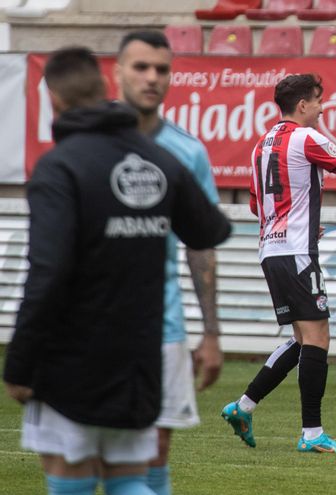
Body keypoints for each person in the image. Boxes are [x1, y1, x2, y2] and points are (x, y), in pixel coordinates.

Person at [3, 46, 230, 495]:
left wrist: (20, 363)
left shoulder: (60, 166)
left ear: (54, 98)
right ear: (108, 85)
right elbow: (211, 229)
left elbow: (47, 272)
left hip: (74, 355)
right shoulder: (160, 160)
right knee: (129, 479)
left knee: (71, 480)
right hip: (141, 353)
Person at [221, 73, 336, 455]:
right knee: (318, 337)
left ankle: (243, 406)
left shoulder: (261, 145)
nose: (322, 108)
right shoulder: (306, 137)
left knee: (303, 338)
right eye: (318, 101)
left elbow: (258, 204)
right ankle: (312, 433)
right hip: (297, 251)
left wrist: (297, 215)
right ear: (302, 105)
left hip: (270, 251)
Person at [115, 30, 222, 495]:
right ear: (117, 71)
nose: (152, 77)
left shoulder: (187, 151)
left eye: (161, 69)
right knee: (88, 457)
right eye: (140, 67)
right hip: (93, 328)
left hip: (163, 328)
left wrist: (212, 332)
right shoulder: (86, 144)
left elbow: (200, 245)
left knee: (156, 451)